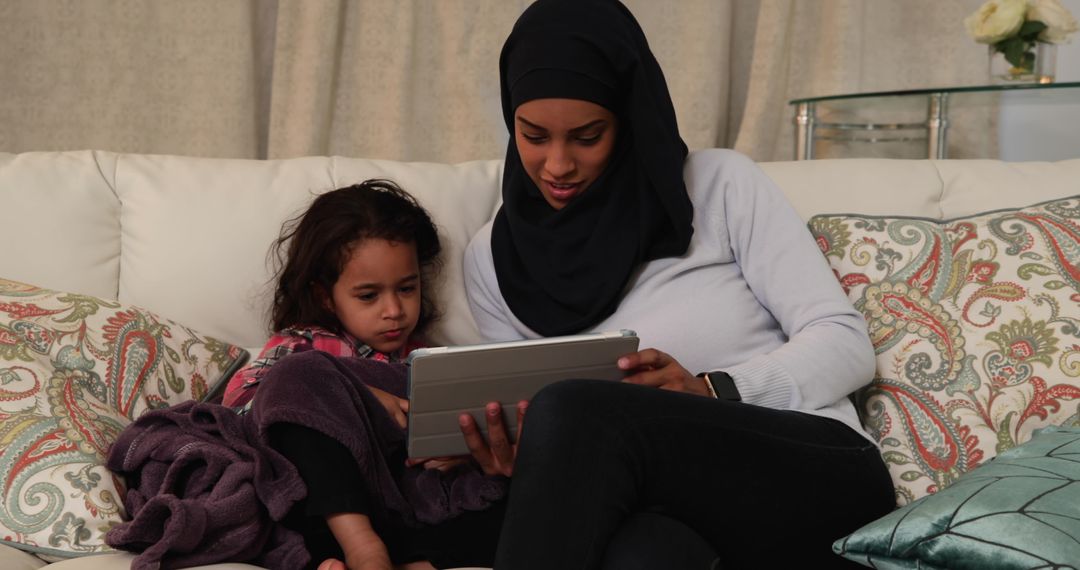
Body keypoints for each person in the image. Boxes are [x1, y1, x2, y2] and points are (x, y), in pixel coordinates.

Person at [460, 0, 897, 568]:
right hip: (659, 510)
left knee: (574, 407)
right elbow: (535, 425)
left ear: (629, 117)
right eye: (533, 135)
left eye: (587, 137)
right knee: (641, 557)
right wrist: (524, 453)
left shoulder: (719, 185)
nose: (557, 165)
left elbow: (844, 343)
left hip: (809, 471)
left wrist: (716, 391)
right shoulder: (491, 259)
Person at [222, 180, 506, 570]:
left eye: (407, 288)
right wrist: (356, 390)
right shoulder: (303, 346)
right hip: (339, 501)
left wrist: (459, 447)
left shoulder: (427, 358)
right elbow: (244, 413)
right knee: (296, 380)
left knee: (519, 496)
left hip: (407, 503)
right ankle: (362, 549)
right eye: (369, 296)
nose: (393, 310)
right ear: (325, 296)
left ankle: (411, 558)